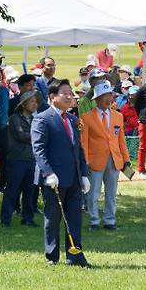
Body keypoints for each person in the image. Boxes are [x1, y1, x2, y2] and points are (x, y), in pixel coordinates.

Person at [31, 79, 90, 267]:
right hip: (54, 179)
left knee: (74, 218)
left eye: (70, 92)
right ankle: (52, 256)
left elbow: (78, 149)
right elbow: (38, 149)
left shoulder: (72, 119)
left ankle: (75, 256)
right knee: (53, 218)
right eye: (64, 93)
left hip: (74, 178)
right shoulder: (42, 118)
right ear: (52, 97)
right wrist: (48, 173)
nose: (69, 96)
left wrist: (84, 174)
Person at [80, 81, 130, 231]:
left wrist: (126, 160)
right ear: (97, 99)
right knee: (93, 193)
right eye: (104, 95)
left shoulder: (118, 116)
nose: (109, 98)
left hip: (115, 160)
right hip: (94, 161)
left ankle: (110, 221)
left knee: (111, 193)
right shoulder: (86, 117)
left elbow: (121, 140)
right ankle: (94, 221)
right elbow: (83, 142)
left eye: (110, 95)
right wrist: (85, 161)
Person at [1, 90, 42, 227]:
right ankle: (5, 219)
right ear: (23, 104)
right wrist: (37, 137)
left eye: (35, 101)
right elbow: (21, 136)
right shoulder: (15, 118)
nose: (34, 104)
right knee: (12, 190)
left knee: (29, 191)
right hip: (17, 159)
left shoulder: (36, 119)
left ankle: (28, 218)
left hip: (31, 159)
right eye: (31, 101)